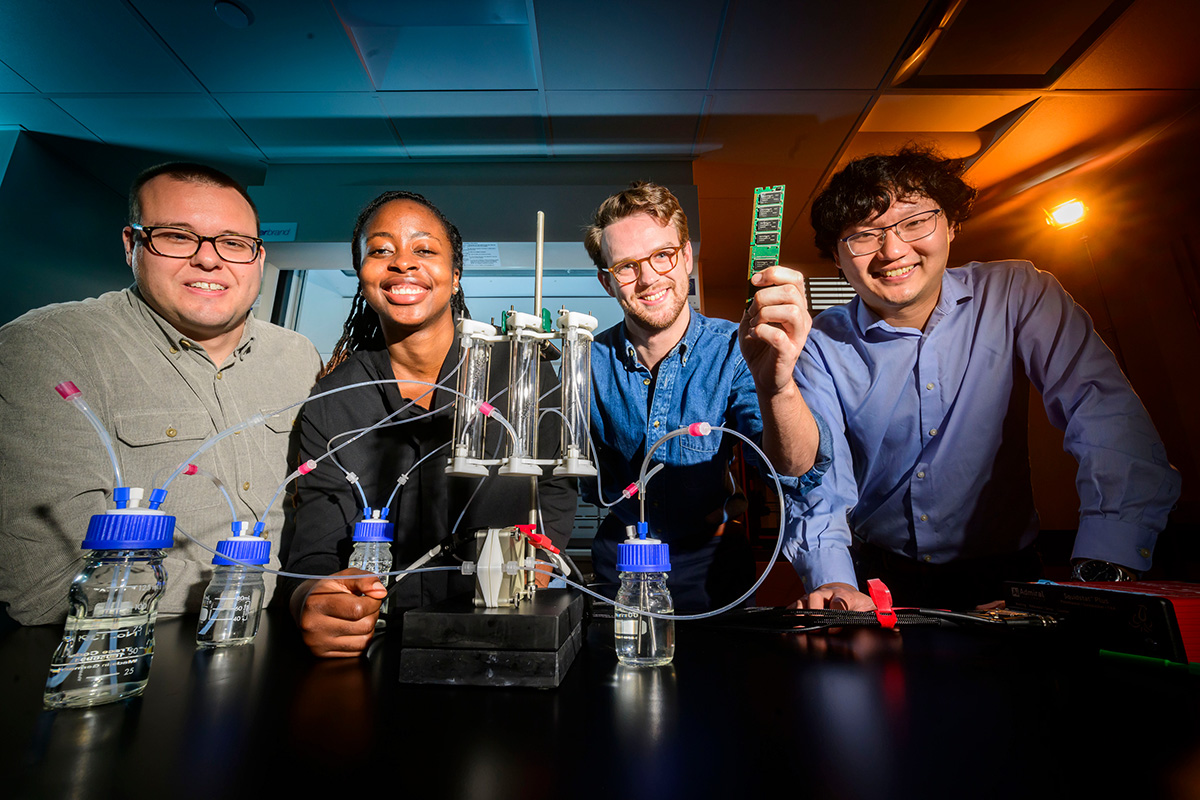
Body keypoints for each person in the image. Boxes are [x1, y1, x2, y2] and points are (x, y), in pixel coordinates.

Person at [788, 147, 1182, 610]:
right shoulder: (817, 342)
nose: (893, 250)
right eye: (864, 236)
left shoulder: (1020, 292)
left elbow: (1105, 416)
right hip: (877, 579)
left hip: (1008, 571)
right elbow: (820, 476)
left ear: (951, 225)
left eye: (914, 222)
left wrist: (1105, 563)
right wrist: (834, 580)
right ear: (836, 256)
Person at [0, 162, 321, 625]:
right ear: (132, 244)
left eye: (233, 243)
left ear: (258, 256)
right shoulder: (49, 348)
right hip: (126, 654)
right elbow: (47, 581)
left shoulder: (296, 355)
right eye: (177, 236)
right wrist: (289, 588)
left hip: (289, 645)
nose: (209, 260)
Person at [281, 191, 577, 658]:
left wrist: (536, 562)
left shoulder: (522, 372)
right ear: (362, 275)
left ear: (455, 276)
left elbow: (555, 485)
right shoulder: (334, 401)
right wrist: (312, 599)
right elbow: (316, 542)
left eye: (424, 250)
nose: (402, 264)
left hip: (499, 634)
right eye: (381, 251)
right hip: (378, 642)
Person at [582, 181, 831, 612]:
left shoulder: (737, 349)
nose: (648, 279)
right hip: (621, 557)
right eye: (626, 266)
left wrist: (778, 385)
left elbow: (793, 467)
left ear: (687, 257)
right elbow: (560, 479)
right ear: (608, 282)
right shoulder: (586, 362)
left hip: (713, 559)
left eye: (662, 255)